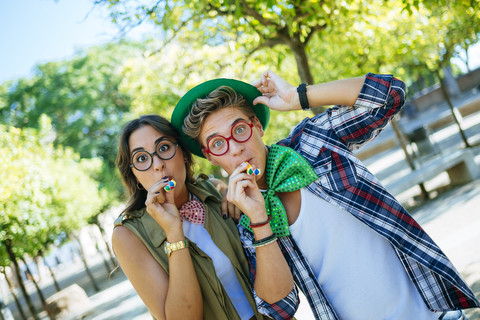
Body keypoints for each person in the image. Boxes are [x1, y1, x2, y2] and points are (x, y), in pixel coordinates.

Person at [171, 71, 480, 320]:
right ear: (212, 157)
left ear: (256, 125)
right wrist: (259, 220)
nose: (236, 147)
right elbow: (279, 307)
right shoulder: (245, 221)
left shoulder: (313, 141)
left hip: (433, 313)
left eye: (239, 130)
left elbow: (391, 95)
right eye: (218, 144)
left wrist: (298, 97)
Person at [112, 114, 299, 320]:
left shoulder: (217, 193)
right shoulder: (128, 236)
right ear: (134, 176)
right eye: (141, 159)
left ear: (182, 152)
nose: (157, 164)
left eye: (164, 148)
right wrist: (175, 235)